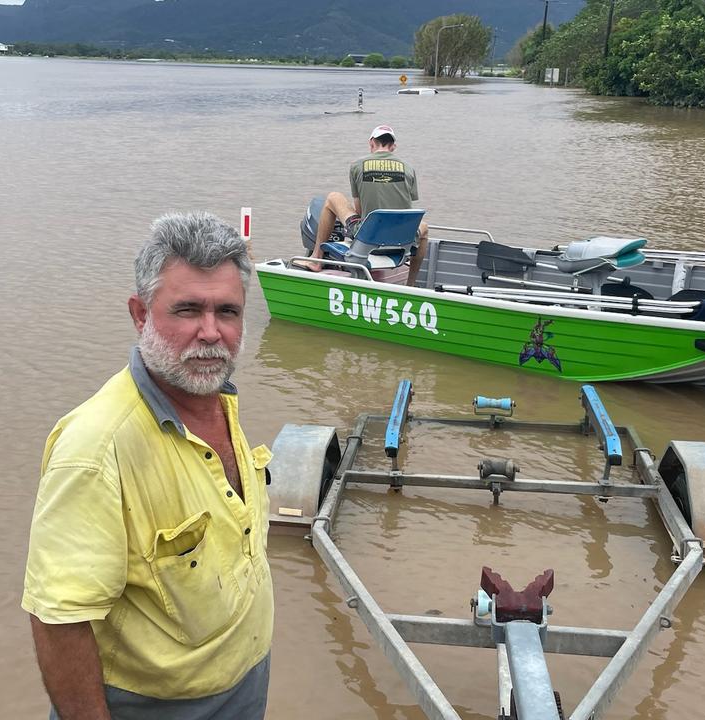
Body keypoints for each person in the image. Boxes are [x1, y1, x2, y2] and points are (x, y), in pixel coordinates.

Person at [22, 211, 274, 720]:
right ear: (140, 315)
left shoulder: (216, 397)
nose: (211, 333)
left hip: (246, 682)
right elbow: (59, 622)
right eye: (187, 310)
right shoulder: (95, 450)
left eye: (228, 311)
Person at [297, 124, 430, 285]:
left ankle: (316, 259)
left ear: (372, 143)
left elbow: (359, 211)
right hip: (401, 240)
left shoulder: (357, 166)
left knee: (333, 197)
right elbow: (406, 206)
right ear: (393, 146)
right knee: (424, 226)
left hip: (369, 239)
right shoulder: (409, 169)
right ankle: (410, 284)